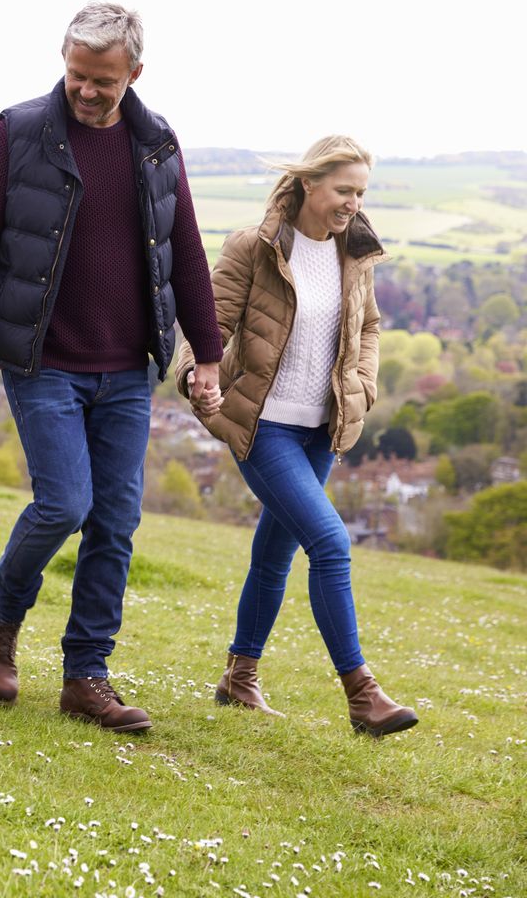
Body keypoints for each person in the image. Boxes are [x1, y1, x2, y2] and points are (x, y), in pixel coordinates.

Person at [0, 1, 223, 733]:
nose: (86, 91)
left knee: (116, 521)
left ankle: (86, 677)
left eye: (102, 80)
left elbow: (184, 253)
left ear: (134, 72)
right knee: (65, 504)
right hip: (43, 360)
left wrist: (209, 355)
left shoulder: (156, 144)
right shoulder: (19, 132)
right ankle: (0, 615)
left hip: (127, 366)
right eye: (75, 76)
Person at [175, 135, 419, 738]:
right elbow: (210, 322)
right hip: (263, 426)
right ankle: (362, 694)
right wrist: (192, 374)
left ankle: (239, 675)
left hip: (320, 430)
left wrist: (362, 385)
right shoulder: (253, 248)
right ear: (309, 184)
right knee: (331, 544)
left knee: (275, 553)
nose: (352, 204)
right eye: (344, 190)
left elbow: (368, 327)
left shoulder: (354, 254)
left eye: (360, 192)